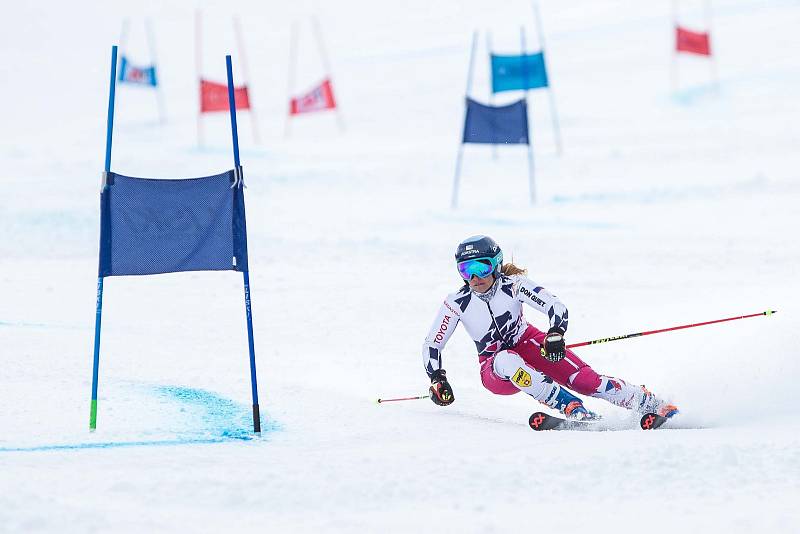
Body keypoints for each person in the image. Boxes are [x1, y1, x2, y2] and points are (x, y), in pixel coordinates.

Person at [422, 235, 678, 420]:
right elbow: (433, 344)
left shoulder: (514, 285)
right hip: (494, 368)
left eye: (481, 267)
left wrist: (555, 333)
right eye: (466, 270)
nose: (474, 278)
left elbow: (555, 306)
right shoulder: (457, 303)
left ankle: (650, 403)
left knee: (587, 381)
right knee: (507, 359)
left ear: (496, 265)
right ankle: (570, 407)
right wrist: (437, 378)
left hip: (528, 342)